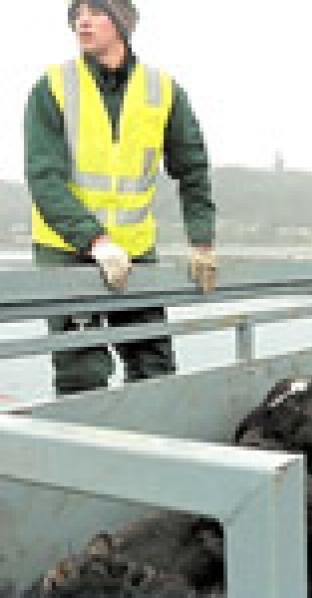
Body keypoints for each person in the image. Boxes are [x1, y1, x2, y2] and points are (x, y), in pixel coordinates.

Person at [24, 0, 217, 395]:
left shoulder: (163, 90)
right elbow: (44, 178)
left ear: (123, 22)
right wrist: (95, 241)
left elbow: (192, 168)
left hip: (134, 250)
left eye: (95, 11)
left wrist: (201, 241)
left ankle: (148, 435)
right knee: (83, 374)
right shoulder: (53, 86)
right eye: (77, 13)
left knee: (153, 366)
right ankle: (83, 437)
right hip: (67, 250)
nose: (82, 20)